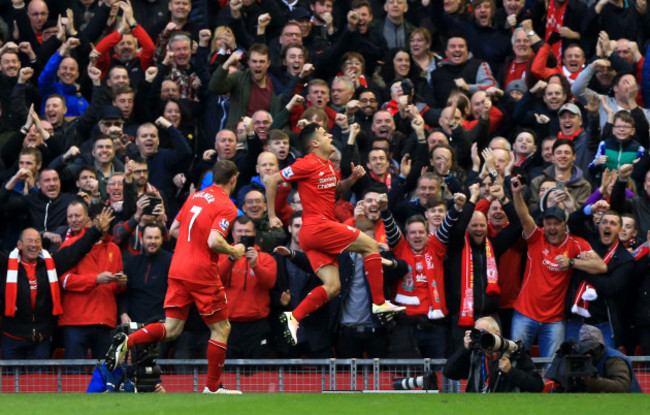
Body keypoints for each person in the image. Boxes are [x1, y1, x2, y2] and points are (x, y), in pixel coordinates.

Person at [105, 160, 246, 394]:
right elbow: (214, 241)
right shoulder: (227, 206)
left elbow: (174, 230)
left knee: (171, 328)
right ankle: (212, 387)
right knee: (221, 329)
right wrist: (234, 250)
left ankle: (128, 341)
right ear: (233, 178)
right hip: (202, 272)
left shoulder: (195, 197)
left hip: (177, 266)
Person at [265, 123, 405, 346]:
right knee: (370, 246)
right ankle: (379, 303)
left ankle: (294, 317)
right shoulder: (307, 162)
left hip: (314, 235)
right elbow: (272, 180)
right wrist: (272, 215)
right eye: (323, 133)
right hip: (318, 227)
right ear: (314, 144)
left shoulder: (328, 165)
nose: (330, 135)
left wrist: (351, 181)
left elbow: (333, 193)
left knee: (333, 286)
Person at [509, 175, 607, 357]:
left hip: (555, 320)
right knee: (514, 361)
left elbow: (601, 266)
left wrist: (572, 262)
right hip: (525, 314)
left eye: (556, 223)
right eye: (548, 223)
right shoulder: (535, 237)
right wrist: (517, 194)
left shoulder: (576, 243)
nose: (552, 228)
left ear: (564, 224)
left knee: (553, 367)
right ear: (543, 224)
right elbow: (524, 216)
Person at [443, 316, 544, 393]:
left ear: (497, 333)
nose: (480, 338)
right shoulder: (473, 354)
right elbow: (449, 372)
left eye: (484, 333)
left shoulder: (514, 351)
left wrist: (511, 371)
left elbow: (538, 385)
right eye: (477, 333)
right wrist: (464, 349)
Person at [577, 324, 642, 393]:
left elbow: (623, 386)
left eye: (592, 347)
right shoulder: (579, 358)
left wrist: (591, 381)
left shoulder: (615, 359)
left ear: (600, 346)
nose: (588, 351)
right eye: (584, 347)